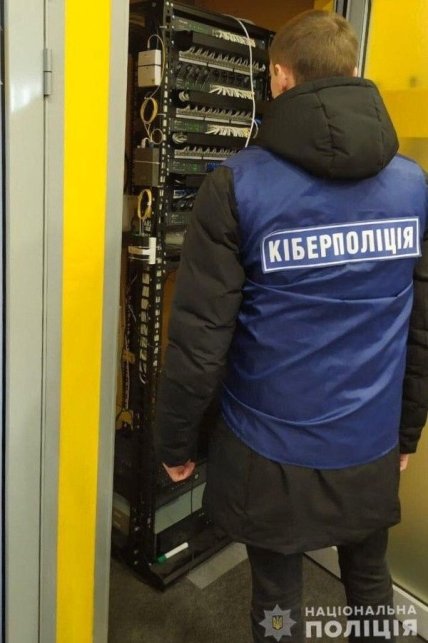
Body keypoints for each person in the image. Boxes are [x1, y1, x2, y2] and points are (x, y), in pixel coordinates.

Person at [155, 10, 428, 643]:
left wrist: (176, 445)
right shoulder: (413, 187)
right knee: (369, 579)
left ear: (279, 77)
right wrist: (407, 429)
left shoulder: (236, 187)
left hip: (268, 452)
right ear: (353, 71)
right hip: (367, 440)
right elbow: (421, 327)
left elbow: (199, 343)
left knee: (278, 600)